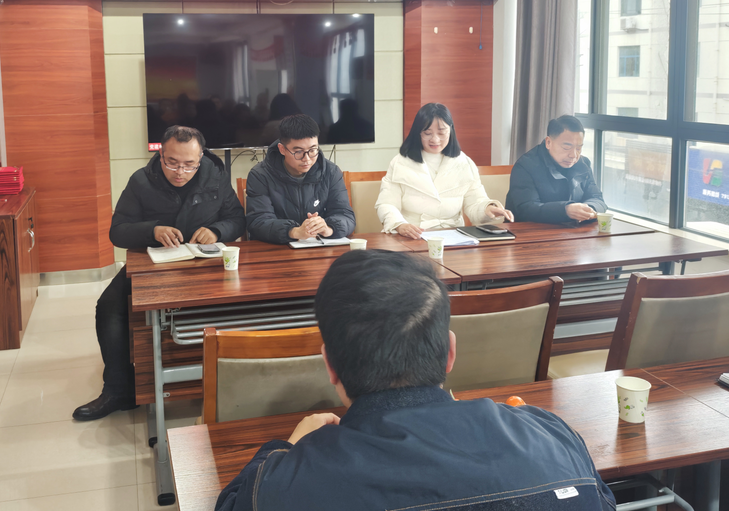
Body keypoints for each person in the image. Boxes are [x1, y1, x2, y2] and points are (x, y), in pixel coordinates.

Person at [215, 250, 617, 511]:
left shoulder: (284, 487)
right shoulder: (555, 437)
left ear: (330, 365)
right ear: (450, 353)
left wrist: (284, 449)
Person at [73, 125, 246, 421]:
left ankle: (229, 378)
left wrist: (217, 231)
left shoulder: (215, 176)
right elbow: (118, 231)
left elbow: (237, 220)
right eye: (172, 163)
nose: (180, 172)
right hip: (153, 264)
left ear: (201, 158)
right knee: (110, 306)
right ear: (161, 155)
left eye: (189, 164)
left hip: (203, 266)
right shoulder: (141, 181)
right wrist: (152, 230)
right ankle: (118, 390)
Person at [376, 103, 512, 237]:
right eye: (427, 133)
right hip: (414, 235)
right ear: (418, 133)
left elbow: (475, 203)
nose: (435, 139)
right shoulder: (400, 163)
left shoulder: (464, 163)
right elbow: (387, 203)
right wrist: (400, 225)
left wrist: (487, 209)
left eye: (441, 132)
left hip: (455, 235)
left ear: (450, 130)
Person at [246, 114, 355, 244]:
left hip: (319, 247)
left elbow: (345, 215)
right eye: (298, 152)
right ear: (282, 149)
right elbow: (258, 222)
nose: (307, 159)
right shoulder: (260, 175)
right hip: (276, 248)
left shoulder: (330, 172)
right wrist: (294, 231)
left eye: (313, 150)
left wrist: (328, 229)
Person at [506, 115, 607, 224]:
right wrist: (565, 210)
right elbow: (526, 209)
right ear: (548, 142)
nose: (573, 155)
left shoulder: (583, 163)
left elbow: (598, 199)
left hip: (574, 230)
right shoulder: (525, 165)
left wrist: (588, 209)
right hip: (531, 231)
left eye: (578, 148)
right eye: (567, 147)